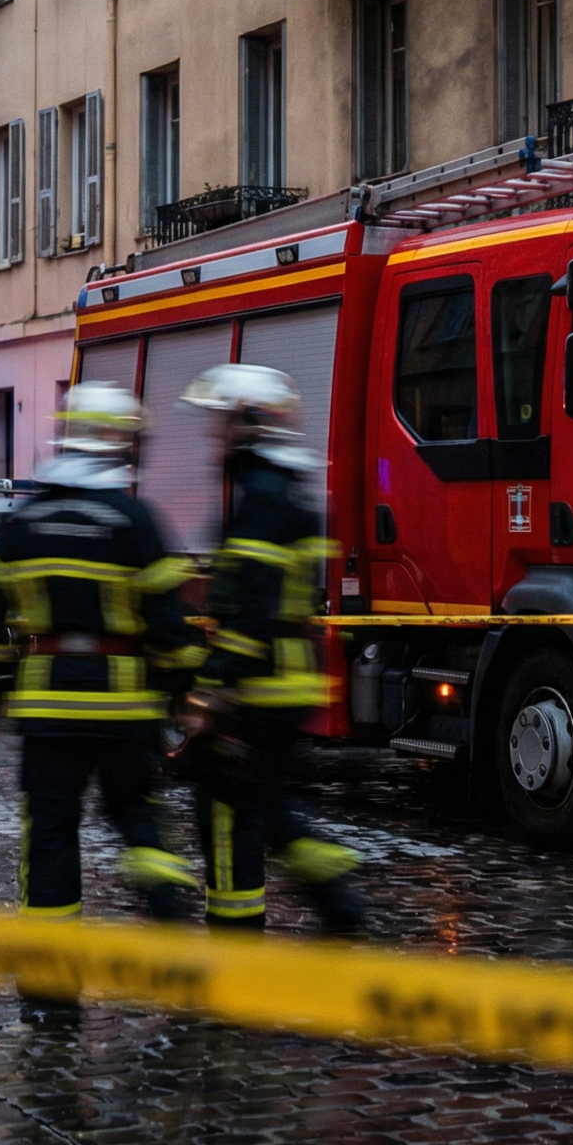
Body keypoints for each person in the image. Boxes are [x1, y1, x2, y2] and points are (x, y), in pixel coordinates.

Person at [0, 383, 203, 981]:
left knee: (48, 832)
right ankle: (172, 920)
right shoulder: (136, 521)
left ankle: (49, 976)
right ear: (119, 442)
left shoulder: (25, 523)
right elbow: (168, 625)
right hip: (125, 706)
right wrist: (183, 696)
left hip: (47, 710)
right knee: (137, 817)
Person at [176, 364, 366, 934]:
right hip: (287, 683)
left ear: (251, 423)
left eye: (225, 423)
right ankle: (337, 896)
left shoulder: (260, 497)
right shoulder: (287, 490)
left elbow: (251, 612)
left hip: (258, 689)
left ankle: (237, 937)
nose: (217, 436)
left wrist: (213, 690)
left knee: (229, 810)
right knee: (274, 809)